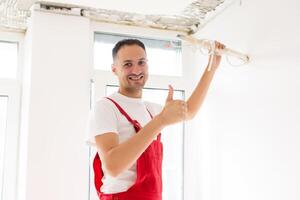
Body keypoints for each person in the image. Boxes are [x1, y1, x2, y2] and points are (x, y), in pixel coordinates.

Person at [87, 38, 225, 200]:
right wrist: (160, 121)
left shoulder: (151, 110)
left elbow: (189, 112)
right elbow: (112, 166)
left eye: (141, 62)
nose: (136, 70)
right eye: (127, 64)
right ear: (114, 69)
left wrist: (212, 67)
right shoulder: (106, 107)